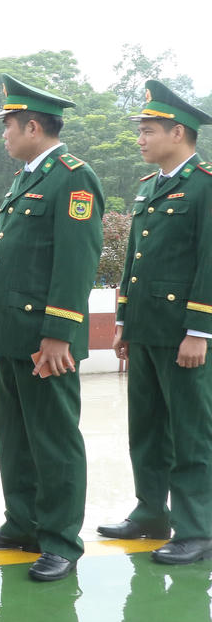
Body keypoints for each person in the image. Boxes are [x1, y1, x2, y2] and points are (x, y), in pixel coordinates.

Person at [0, 74, 103, 582]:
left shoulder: (73, 177)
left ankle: (61, 541)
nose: (3, 133)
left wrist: (58, 333)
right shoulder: (27, 177)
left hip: (46, 338)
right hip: (12, 334)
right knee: (16, 436)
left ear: (32, 125)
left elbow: (76, 261)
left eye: (7, 125)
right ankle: (22, 523)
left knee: (53, 439)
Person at [101, 79, 212, 565]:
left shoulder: (205, 186)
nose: (140, 138)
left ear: (179, 132)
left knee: (190, 432)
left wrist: (199, 330)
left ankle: (197, 527)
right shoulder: (151, 188)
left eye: (148, 130)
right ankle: (151, 512)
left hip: (183, 333)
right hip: (147, 328)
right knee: (146, 427)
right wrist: (125, 320)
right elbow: (134, 262)